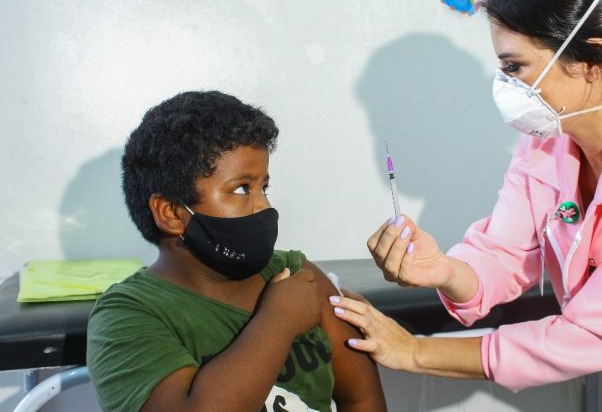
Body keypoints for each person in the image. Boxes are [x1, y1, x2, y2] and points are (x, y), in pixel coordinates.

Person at [329, 0, 602, 410]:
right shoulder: (549, 140)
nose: (505, 84)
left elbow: (589, 336)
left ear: (595, 59)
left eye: (514, 66)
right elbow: (504, 252)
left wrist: (414, 351)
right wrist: (443, 270)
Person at [87, 91, 387, 412]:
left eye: (263, 187)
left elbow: (362, 399)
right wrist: (279, 319)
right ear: (172, 213)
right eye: (242, 188)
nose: (264, 206)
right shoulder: (127, 315)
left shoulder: (297, 275)